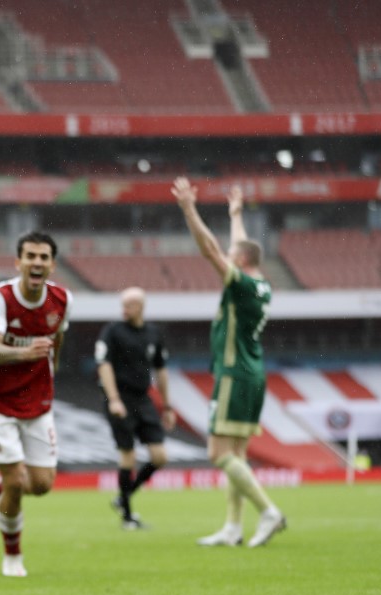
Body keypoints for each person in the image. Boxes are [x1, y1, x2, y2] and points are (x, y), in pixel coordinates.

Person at [171, 178, 286, 548]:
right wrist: (235, 214)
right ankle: (233, 527)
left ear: (239, 261)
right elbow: (240, 248)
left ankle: (269, 512)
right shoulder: (262, 283)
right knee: (235, 454)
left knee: (218, 454)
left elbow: (210, 250)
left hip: (234, 375)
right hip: (253, 373)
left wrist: (189, 209)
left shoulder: (240, 284)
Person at [0, 232, 71, 577]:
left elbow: (58, 338)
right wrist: (26, 352)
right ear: (18, 262)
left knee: (42, 485)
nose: (37, 262)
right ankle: (12, 556)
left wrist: (50, 369)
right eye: (30, 256)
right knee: (16, 479)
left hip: (38, 403)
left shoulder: (62, 299)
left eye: (44, 257)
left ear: (52, 265)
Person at [95, 287, 175, 530]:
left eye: (128, 305)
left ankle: (124, 496)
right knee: (127, 455)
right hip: (120, 399)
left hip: (143, 399)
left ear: (140, 306)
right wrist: (114, 398)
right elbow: (104, 364)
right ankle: (128, 517)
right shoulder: (112, 331)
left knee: (160, 457)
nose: (124, 309)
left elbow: (161, 370)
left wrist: (167, 405)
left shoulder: (153, 333)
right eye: (123, 304)